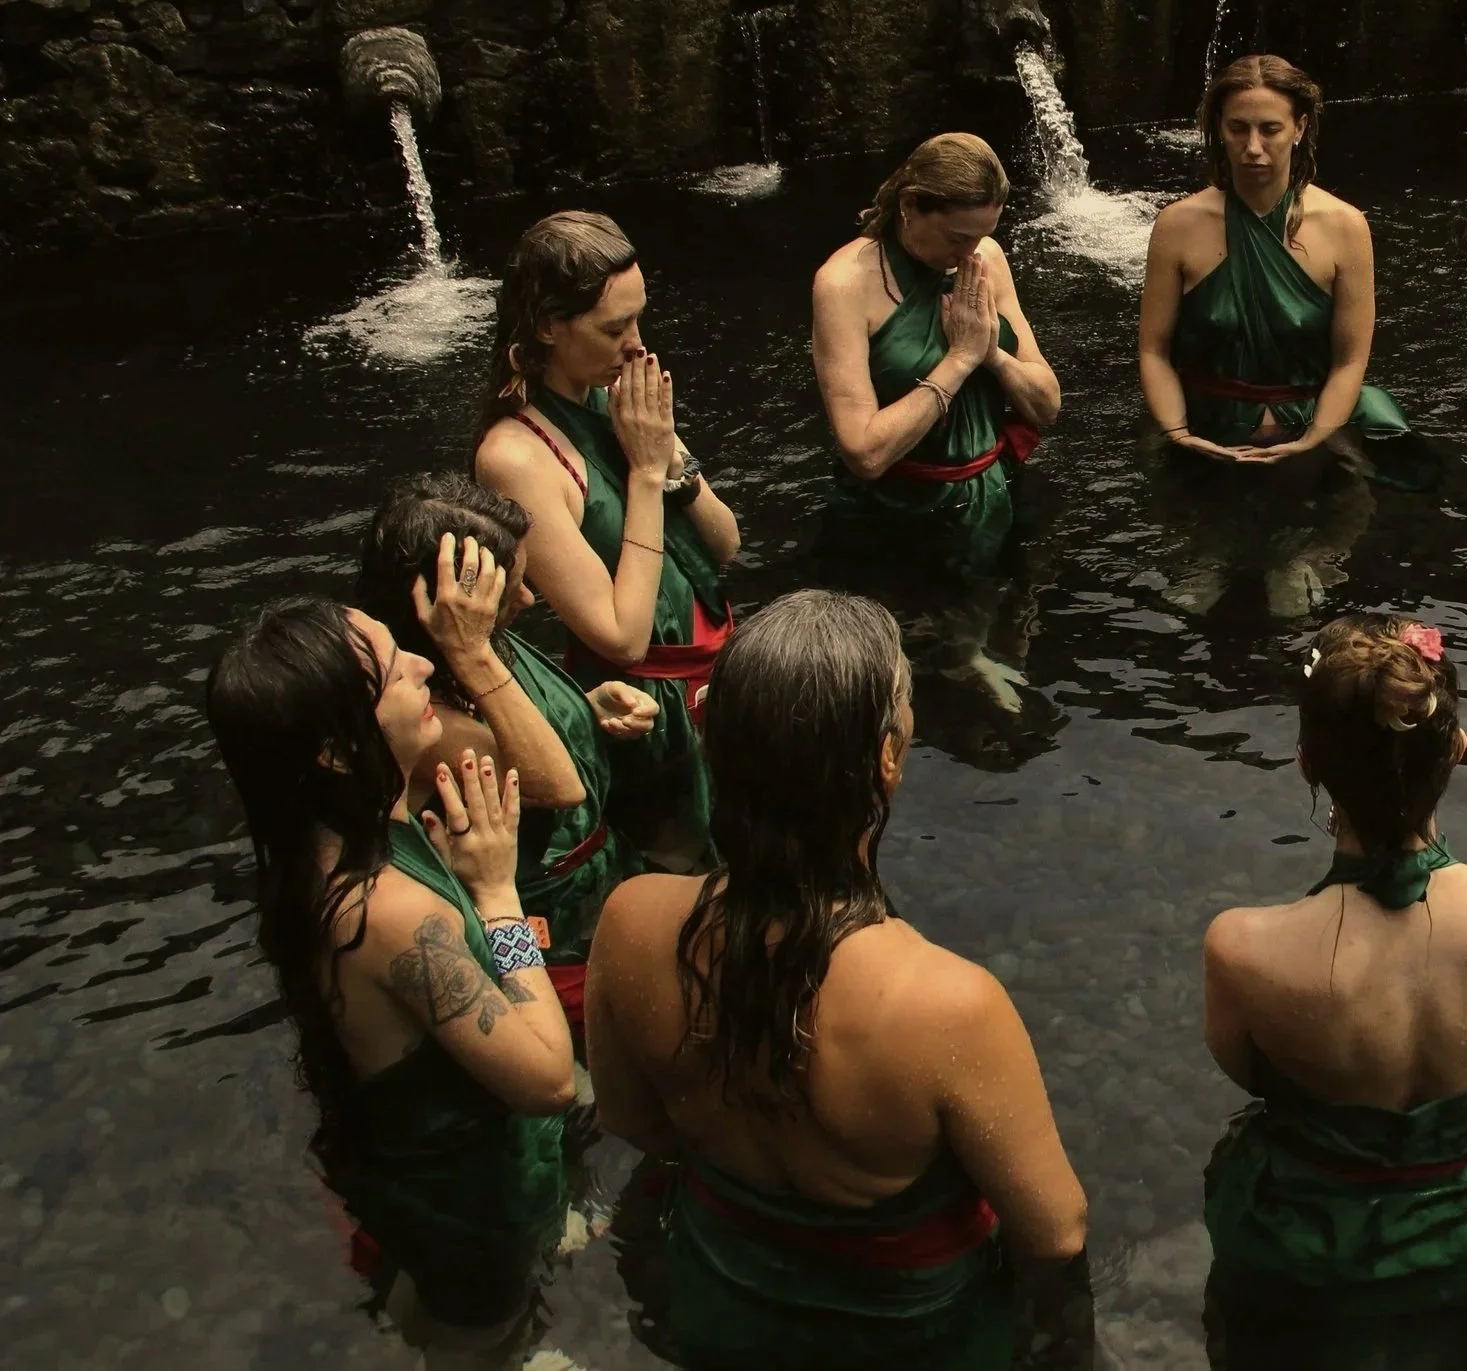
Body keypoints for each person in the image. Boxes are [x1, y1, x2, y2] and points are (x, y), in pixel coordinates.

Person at [584, 590, 1087, 1370]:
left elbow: (632, 1120)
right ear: (886, 757)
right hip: (902, 1338)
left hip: (724, 1300)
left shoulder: (630, 922)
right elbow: (1056, 1230)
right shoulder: (948, 1003)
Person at [208, 591, 575, 1367]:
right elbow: (547, 1081)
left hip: (411, 1172)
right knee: (490, 1333)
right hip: (472, 1214)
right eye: (393, 669)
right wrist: (500, 898)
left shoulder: (330, 834)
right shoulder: (386, 914)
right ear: (337, 749)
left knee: (442, 1303)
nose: (421, 662)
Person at [1200, 614, 1467, 1364]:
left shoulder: (1243, 949)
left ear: (1308, 763)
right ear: (1457, 749)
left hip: (1305, 1268)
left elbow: (1250, 1073)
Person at [473, 211, 740, 869]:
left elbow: (726, 543)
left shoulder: (619, 394)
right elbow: (619, 635)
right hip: (644, 713)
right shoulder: (516, 457)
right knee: (686, 884)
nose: (637, 344)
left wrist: (673, 466)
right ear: (546, 327)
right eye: (614, 328)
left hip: (718, 679)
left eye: (639, 319)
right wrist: (646, 472)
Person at [357, 472, 660, 1042]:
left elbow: (513, 726)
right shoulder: (420, 711)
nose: (527, 598)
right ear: (452, 605)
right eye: (509, 591)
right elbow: (556, 786)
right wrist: (469, 649)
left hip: (602, 884)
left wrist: (584, 709)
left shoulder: (482, 645)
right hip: (541, 932)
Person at [1140, 53, 1430, 488]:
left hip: (1316, 432)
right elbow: (1153, 350)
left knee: (1318, 554)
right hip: (1206, 432)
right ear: (1219, 128)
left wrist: (1313, 439)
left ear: (1300, 127)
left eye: (1270, 129)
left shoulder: (1344, 227)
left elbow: (1350, 361)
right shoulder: (1177, 225)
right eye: (1238, 128)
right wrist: (1179, 433)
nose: (1252, 147)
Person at [810, 132, 1061, 578]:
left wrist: (993, 357)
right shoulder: (843, 284)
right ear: (910, 207)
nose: (969, 254)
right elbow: (864, 453)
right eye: (955, 238)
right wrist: (960, 360)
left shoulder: (987, 256)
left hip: (992, 498)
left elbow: (1047, 405)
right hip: (898, 518)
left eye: (983, 236)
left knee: (1004, 639)